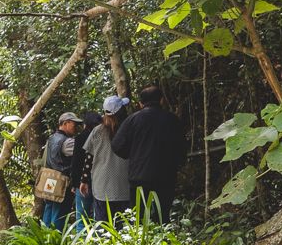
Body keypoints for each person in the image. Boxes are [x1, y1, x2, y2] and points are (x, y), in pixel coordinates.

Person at [112, 84, 185, 219]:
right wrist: (176, 164)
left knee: (138, 216)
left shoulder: (132, 120)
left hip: (139, 176)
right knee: (162, 215)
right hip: (166, 176)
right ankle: (162, 239)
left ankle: (140, 239)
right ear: (161, 100)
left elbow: (117, 145)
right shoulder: (172, 120)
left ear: (140, 103)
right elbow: (181, 148)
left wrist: (132, 155)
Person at [82, 94, 132, 222]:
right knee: (124, 226)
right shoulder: (128, 130)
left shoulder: (97, 131)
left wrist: (84, 180)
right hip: (124, 186)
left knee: (103, 226)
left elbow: (88, 158)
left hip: (101, 186)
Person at [40, 111, 85, 229]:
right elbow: (82, 155)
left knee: (49, 211)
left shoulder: (51, 138)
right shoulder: (68, 142)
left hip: (49, 180)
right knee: (59, 214)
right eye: (74, 124)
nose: (76, 127)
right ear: (66, 123)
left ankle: (44, 240)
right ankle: (55, 242)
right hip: (62, 182)